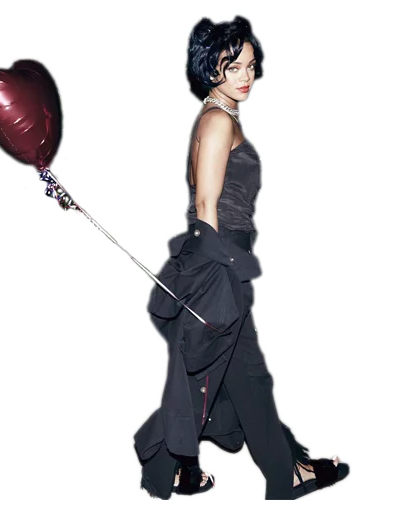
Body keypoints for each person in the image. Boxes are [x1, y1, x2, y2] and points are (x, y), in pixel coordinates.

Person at [131, 14, 350, 500]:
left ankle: (273, 468)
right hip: (219, 261)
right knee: (234, 376)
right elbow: (205, 204)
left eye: (251, 66)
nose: (246, 77)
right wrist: (215, 278)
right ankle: (277, 472)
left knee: (241, 377)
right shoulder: (215, 121)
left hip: (227, 258)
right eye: (234, 68)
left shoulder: (224, 116)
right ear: (210, 70)